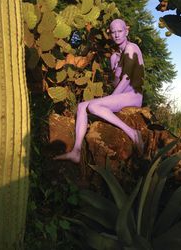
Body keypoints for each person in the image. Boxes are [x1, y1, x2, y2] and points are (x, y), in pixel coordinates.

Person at [56, 18, 145, 163]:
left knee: (93, 105)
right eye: (113, 32)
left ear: (126, 31)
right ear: (110, 34)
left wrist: (108, 100)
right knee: (81, 106)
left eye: (120, 31)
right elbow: (116, 82)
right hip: (123, 95)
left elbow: (127, 79)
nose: (117, 35)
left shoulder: (131, 48)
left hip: (133, 95)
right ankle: (76, 151)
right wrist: (116, 69)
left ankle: (133, 134)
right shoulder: (115, 57)